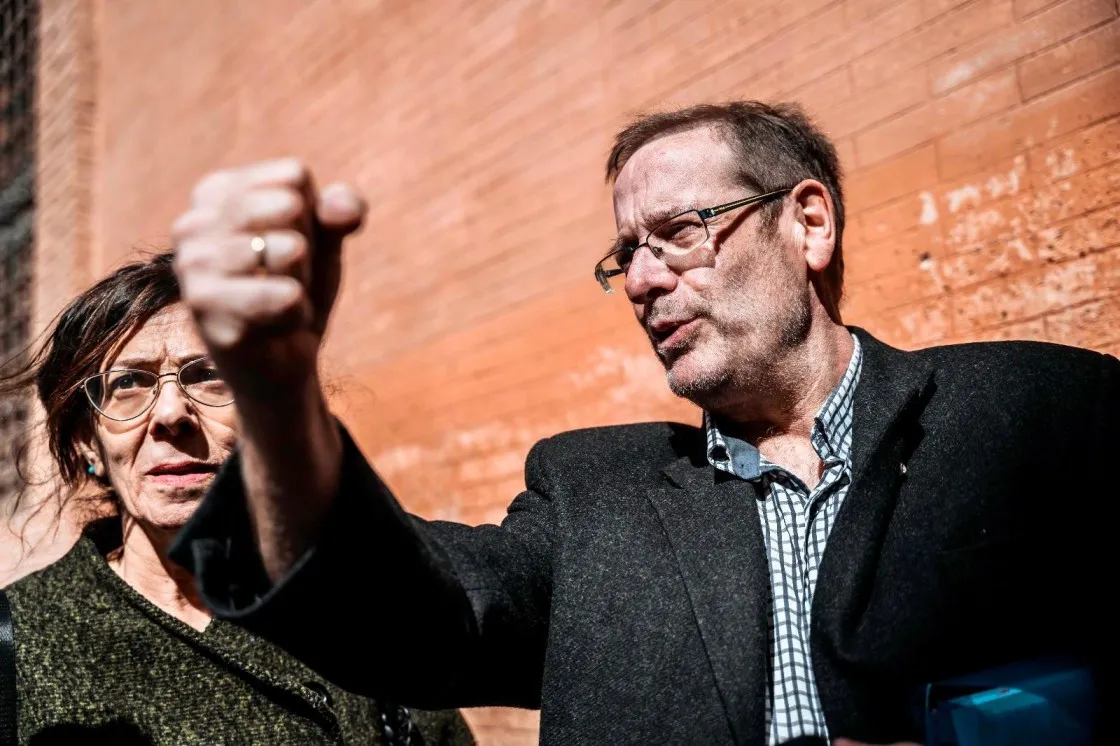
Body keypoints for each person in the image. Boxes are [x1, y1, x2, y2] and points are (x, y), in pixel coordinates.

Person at [168, 101, 1118, 746]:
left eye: (679, 232)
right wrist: (278, 403)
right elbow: (417, 622)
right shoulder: (592, 494)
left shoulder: (1037, 410)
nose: (642, 280)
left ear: (809, 224)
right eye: (626, 253)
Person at [0, 253, 474, 745]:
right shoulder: (25, 640)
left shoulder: (362, 610)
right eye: (128, 383)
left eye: (209, 374)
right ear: (87, 444)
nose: (171, 414)